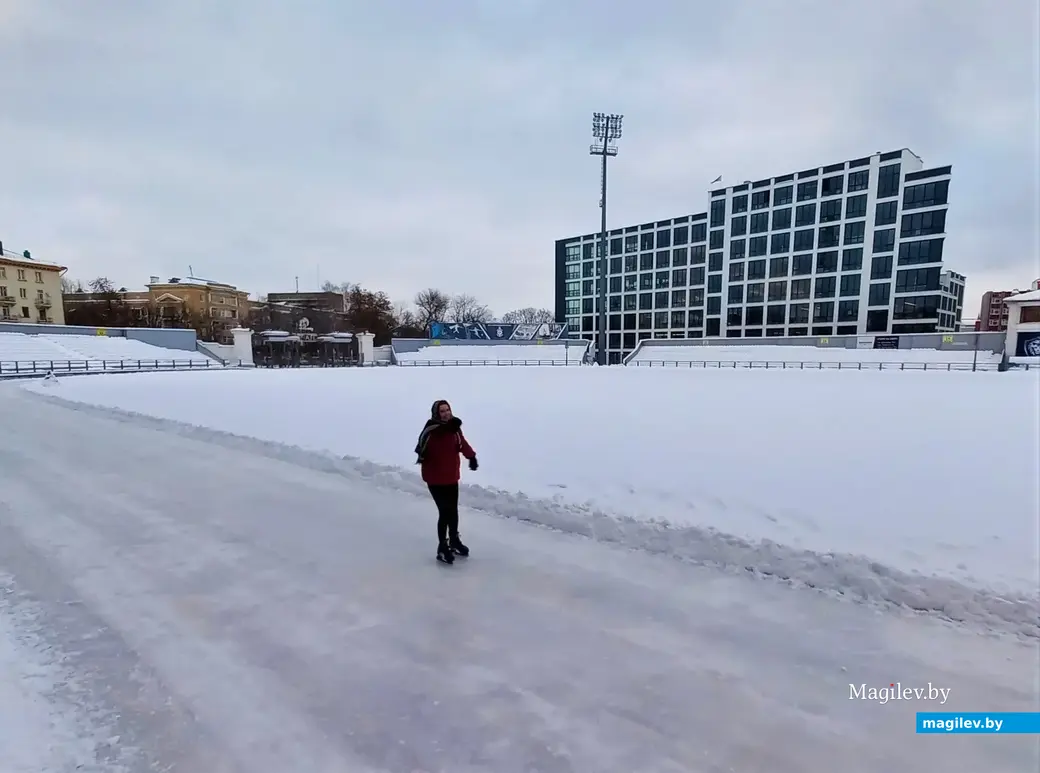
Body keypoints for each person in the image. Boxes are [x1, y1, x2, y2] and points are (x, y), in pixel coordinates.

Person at [414, 399, 479, 564]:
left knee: (453, 511)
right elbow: (421, 449)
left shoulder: (454, 428)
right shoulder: (431, 430)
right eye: (442, 411)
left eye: (447, 410)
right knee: (445, 512)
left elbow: (462, 444)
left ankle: (454, 540)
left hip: (451, 477)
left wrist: (471, 456)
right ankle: (442, 547)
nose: (446, 413)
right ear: (436, 413)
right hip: (435, 479)